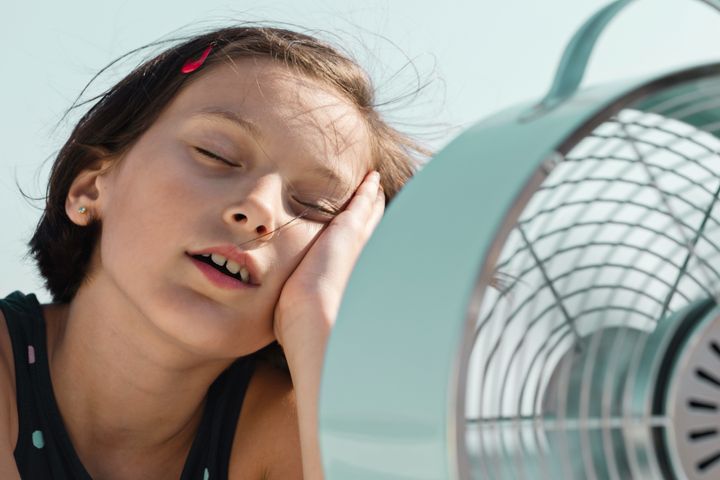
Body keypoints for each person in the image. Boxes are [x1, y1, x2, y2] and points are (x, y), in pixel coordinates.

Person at [0, 26, 426, 479]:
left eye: (315, 207)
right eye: (216, 153)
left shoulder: (293, 430)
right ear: (90, 186)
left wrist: (320, 326)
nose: (261, 209)